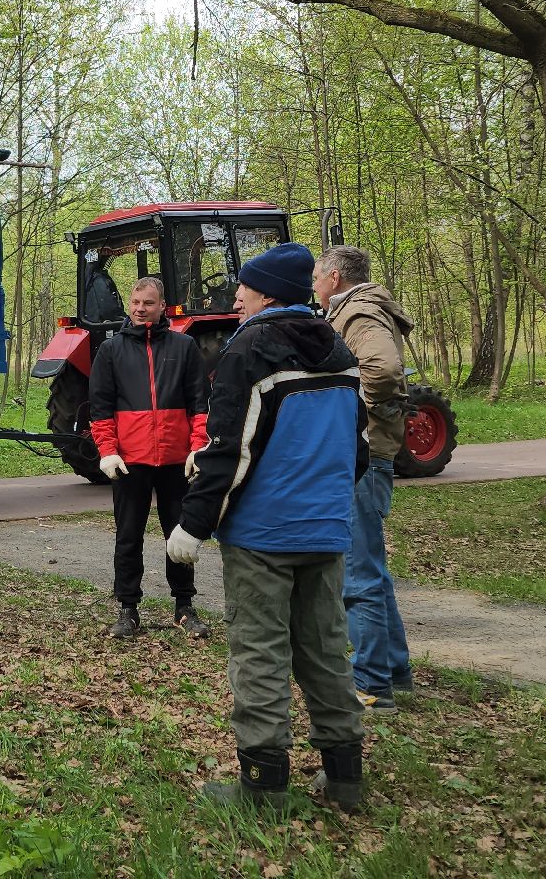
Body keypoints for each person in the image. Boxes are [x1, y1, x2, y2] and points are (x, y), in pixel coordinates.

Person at [164, 243, 368, 813]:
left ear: (269, 294)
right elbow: (356, 449)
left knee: (259, 653)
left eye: (245, 289)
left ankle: (263, 787)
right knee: (326, 650)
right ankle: (345, 778)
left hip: (263, 534)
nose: (236, 297)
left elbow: (229, 449)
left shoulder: (250, 348)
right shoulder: (338, 346)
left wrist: (192, 524)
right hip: (326, 529)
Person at [315, 245, 415, 711]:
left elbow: (384, 370)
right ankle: (394, 670)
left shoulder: (358, 315)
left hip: (364, 454)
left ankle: (372, 683)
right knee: (371, 566)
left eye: (317, 277)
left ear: (334, 277)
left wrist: (350, 412)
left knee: (358, 572)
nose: (314, 285)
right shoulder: (360, 309)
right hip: (369, 451)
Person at [88, 276, 210, 640]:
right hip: (131, 461)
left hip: (176, 461)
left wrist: (197, 446)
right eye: (136, 302)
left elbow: (199, 402)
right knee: (128, 535)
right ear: (130, 304)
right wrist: (107, 451)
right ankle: (128, 608)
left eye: (149, 303)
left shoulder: (185, 347)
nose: (141, 309)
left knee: (180, 533)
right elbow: (100, 408)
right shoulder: (110, 351)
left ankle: (184, 607)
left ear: (161, 307)